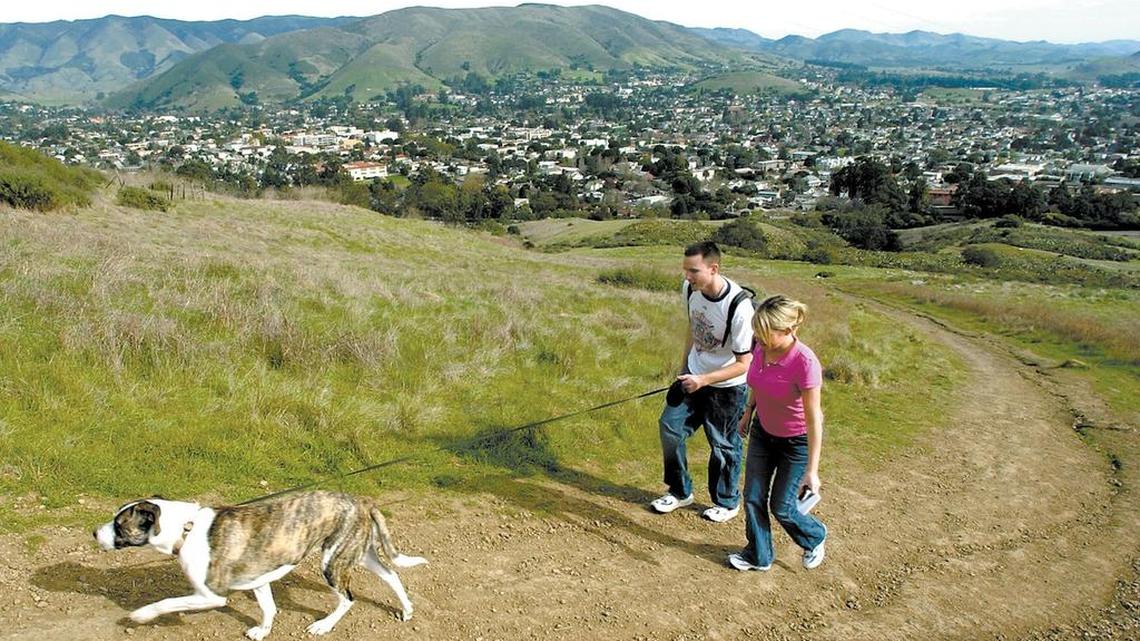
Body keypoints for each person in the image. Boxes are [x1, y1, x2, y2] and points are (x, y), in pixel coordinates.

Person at [652, 241, 754, 523]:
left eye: (693, 271)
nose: (687, 277)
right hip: (693, 377)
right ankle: (680, 491)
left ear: (713, 268)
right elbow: (692, 329)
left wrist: (704, 379)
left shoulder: (739, 307)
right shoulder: (690, 290)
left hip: (727, 386)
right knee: (670, 427)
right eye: (685, 270)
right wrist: (685, 367)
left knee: (722, 444)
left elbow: (745, 364)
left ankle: (727, 501)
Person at [728, 294, 827, 571]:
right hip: (763, 432)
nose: (757, 338)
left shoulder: (805, 363)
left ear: (788, 330)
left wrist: (812, 470)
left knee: (782, 507)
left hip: (795, 442)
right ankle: (758, 555)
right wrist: (749, 411)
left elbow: (813, 420)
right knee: (752, 496)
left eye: (764, 332)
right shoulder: (762, 348)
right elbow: (759, 384)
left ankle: (814, 536)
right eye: (756, 331)